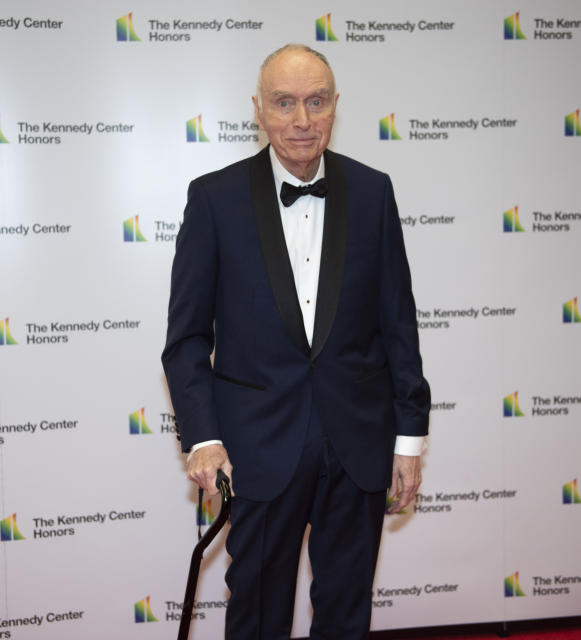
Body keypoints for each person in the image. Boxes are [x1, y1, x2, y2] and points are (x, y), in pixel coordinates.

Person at [162, 44, 430, 639]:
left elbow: (398, 323)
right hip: (257, 447)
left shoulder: (373, 192)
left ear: (336, 106)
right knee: (257, 613)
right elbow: (185, 340)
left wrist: (409, 437)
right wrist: (203, 438)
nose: (301, 120)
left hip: (357, 443)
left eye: (316, 101)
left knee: (346, 612)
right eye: (284, 103)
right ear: (258, 110)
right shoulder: (213, 199)